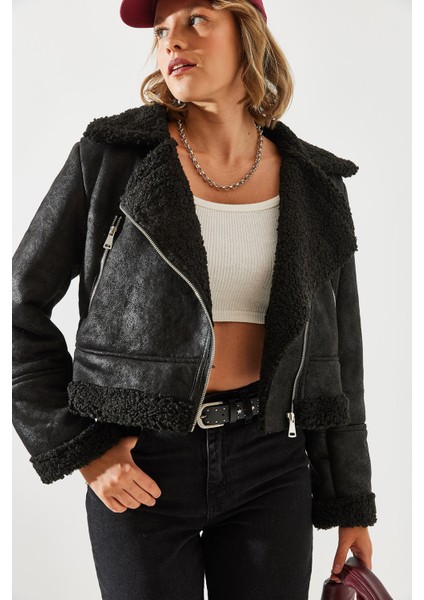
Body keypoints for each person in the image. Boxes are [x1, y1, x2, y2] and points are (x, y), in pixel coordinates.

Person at [12, 0, 377, 598]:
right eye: (162, 30)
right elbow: (21, 304)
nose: (172, 41)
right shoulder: (111, 159)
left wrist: (351, 501)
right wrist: (78, 447)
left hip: (271, 463)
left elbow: (340, 357)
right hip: (141, 461)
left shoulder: (315, 183)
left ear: (248, 34)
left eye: (197, 20)